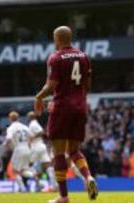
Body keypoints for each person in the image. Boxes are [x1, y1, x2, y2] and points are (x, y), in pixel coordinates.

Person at [34, 26, 97, 203]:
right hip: (80, 108)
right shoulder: (84, 56)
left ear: (57, 39)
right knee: (75, 151)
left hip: (61, 108)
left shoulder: (55, 58)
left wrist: (38, 97)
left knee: (58, 153)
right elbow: (88, 86)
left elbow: (51, 86)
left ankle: (63, 197)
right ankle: (89, 178)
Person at [3, 111, 36, 192]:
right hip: (27, 149)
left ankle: (22, 189)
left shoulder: (11, 128)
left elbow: (9, 138)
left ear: (10, 118)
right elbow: (32, 136)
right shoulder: (24, 126)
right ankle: (34, 176)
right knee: (23, 170)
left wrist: (5, 144)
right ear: (18, 118)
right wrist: (28, 144)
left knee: (15, 171)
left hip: (18, 149)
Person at [27, 111, 57, 192]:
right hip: (42, 146)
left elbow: (41, 131)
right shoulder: (35, 123)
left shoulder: (33, 124)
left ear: (30, 117)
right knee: (48, 166)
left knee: (28, 165)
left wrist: (33, 137)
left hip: (36, 147)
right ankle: (54, 186)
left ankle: (39, 184)